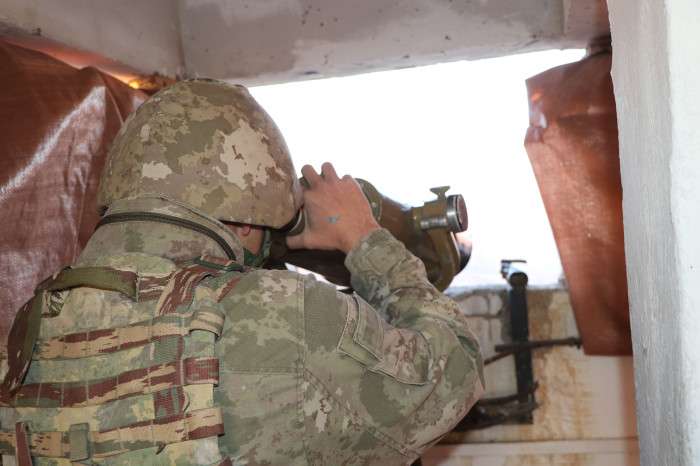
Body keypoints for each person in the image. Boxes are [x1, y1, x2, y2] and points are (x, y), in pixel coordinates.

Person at [0, 79, 484, 465]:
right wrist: (364, 239)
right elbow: (454, 374)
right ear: (248, 218)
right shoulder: (285, 316)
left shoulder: (32, 324)